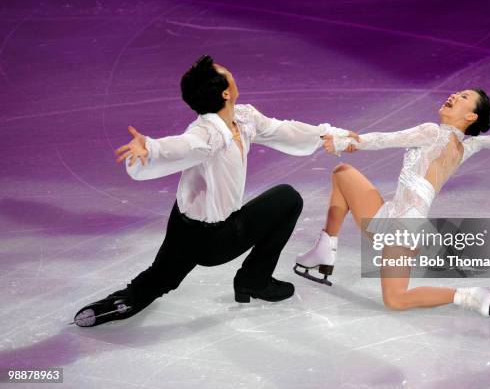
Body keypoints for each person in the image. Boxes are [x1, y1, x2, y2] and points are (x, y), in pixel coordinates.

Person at [72, 55, 355, 327]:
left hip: (184, 225)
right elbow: (184, 145)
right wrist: (151, 149)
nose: (231, 73)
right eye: (226, 73)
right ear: (225, 94)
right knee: (288, 199)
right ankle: (253, 280)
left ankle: (121, 304)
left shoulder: (244, 118)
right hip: (216, 239)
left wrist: (329, 136)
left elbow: (282, 130)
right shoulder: (208, 133)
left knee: (158, 281)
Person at [294, 88, 490, 316]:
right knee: (342, 172)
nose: (454, 95)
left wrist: (345, 142)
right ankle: (325, 250)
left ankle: (472, 296)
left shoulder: (433, 132)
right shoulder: (466, 147)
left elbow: (385, 139)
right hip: (401, 222)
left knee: (396, 299)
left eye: (463, 96)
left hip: (399, 226)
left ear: (471, 115)